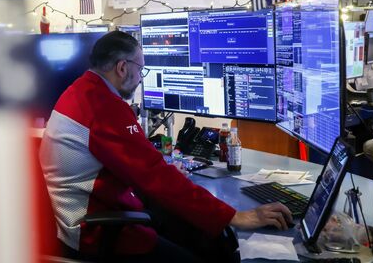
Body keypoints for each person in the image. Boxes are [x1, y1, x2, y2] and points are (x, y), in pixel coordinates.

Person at [39, 31, 293, 262]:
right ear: (122, 68)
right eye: (141, 70)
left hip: (88, 216)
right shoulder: (103, 107)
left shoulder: (81, 90)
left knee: (193, 232)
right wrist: (234, 216)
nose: (140, 78)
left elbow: (139, 166)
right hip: (95, 233)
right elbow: (154, 176)